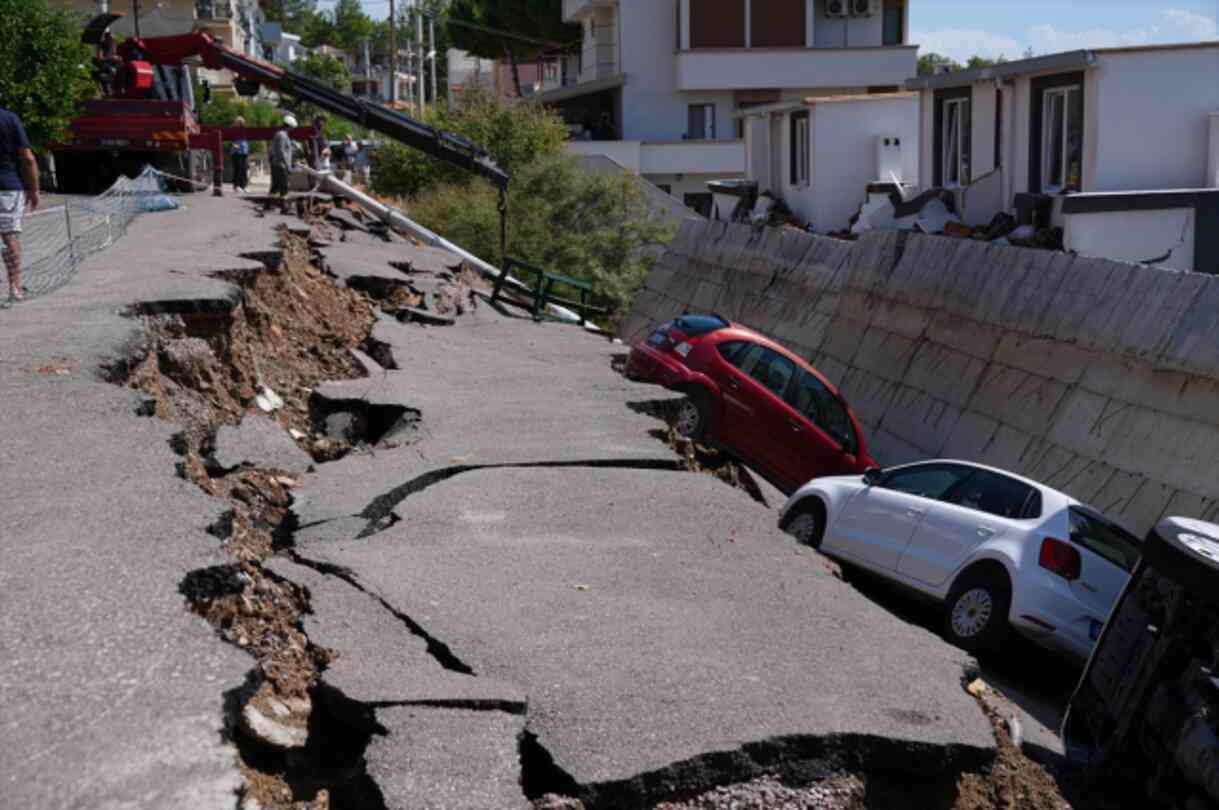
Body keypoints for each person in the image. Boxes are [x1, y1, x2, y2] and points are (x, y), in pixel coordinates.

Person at [0, 106, 38, 303]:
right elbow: (28, 157)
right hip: (7, 188)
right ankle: (15, 287)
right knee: (9, 237)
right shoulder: (10, 119)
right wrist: (34, 189)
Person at [269, 114, 296, 212]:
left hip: (277, 164)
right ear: (288, 126)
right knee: (284, 187)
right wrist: (288, 165)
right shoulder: (282, 135)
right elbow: (281, 151)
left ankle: (269, 205)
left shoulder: (280, 134)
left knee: (275, 186)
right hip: (281, 165)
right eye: (291, 128)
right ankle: (284, 208)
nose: (292, 130)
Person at [230, 116, 250, 192]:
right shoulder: (233, 130)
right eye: (239, 122)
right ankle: (236, 185)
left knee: (244, 169)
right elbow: (230, 139)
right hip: (236, 152)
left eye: (242, 122)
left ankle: (243, 186)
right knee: (238, 169)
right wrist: (233, 145)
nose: (241, 124)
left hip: (244, 151)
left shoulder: (244, 130)